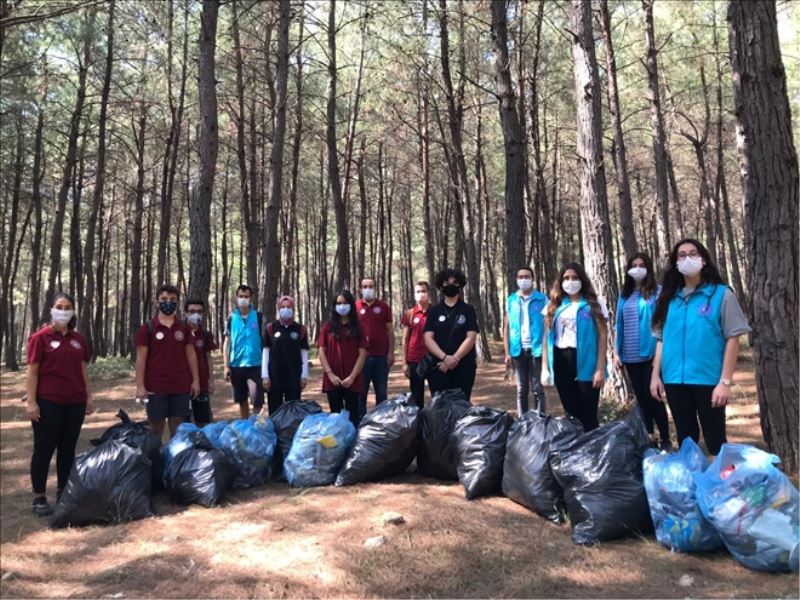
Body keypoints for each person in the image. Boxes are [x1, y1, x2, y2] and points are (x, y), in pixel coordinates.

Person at [650, 239, 750, 456]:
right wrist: (655, 375)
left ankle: (721, 485)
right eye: (682, 255)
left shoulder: (721, 294)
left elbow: (732, 338)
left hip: (708, 379)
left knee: (716, 440)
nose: (687, 258)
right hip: (674, 379)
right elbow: (661, 338)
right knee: (686, 439)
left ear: (703, 259)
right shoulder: (668, 298)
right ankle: (693, 483)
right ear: (675, 263)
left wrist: (725, 382)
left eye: (693, 253)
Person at [25, 292, 95, 516]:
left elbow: (83, 370)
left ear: (73, 311)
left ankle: (64, 493)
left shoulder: (79, 340)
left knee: (67, 450)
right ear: (51, 309)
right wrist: (32, 402)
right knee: (44, 450)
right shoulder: (40, 338)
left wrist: (89, 397)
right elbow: (32, 372)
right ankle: (39, 498)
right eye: (59, 306)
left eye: (67, 307)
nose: (63, 311)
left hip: (74, 403)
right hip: (48, 403)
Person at [540, 263, 609, 432]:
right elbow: (545, 338)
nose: (570, 281)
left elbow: (603, 335)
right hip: (561, 359)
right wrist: (545, 368)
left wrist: (600, 368)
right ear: (561, 281)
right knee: (570, 412)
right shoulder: (554, 305)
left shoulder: (594, 303)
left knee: (589, 411)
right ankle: (575, 449)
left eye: (575, 278)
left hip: (586, 360)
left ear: (582, 280)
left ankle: (592, 448)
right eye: (566, 278)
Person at [613, 252, 670, 449]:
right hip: (629, 355)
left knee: (653, 395)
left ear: (648, 268)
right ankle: (648, 436)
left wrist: (658, 353)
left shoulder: (658, 292)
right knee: (641, 398)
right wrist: (616, 351)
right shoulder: (624, 295)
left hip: (651, 354)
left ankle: (666, 438)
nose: (637, 268)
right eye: (634, 265)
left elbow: (661, 323)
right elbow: (618, 324)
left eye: (641, 264)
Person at [135, 284, 200, 440]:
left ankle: (174, 462)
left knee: (178, 429)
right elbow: (141, 358)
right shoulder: (148, 328)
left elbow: (191, 355)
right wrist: (140, 386)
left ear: (177, 302)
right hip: (155, 387)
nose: (168, 302)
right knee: (155, 429)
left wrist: (196, 381)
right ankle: (154, 462)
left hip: (180, 386)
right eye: (164, 299)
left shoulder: (184, 327)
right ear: (157, 303)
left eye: (172, 299)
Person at [423, 268, 479, 401]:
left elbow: (471, 337)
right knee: (439, 406)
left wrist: (455, 359)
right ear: (440, 286)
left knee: (462, 405)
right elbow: (428, 338)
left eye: (454, 282)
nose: (450, 285)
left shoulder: (468, 310)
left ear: (460, 285)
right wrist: (444, 358)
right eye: (446, 283)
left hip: (464, 366)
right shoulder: (434, 311)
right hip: (439, 367)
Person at [318, 290, 368, 428]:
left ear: (351, 305)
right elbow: (321, 351)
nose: (342, 306)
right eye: (339, 303)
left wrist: (352, 377)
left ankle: (353, 446)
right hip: (332, 379)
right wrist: (330, 374)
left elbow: (362, 353)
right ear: (334, 306)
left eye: (345, 303)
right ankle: (339, 446)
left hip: (352, 379)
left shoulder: (359, 328)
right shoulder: (328, 327)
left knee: (353, 416)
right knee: (335, 416)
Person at [503, 267, 548, 415]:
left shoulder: (542, 299)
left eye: (527, 276)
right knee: (521, 389)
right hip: (518, 350)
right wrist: (507, 352)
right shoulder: (511, 300)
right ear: (516, 279)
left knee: (537, 388)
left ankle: (540, 420)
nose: (524, 280)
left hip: (537, 349)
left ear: (532, 278)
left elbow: (548, 326)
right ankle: (523, 422)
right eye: (520, 277)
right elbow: (506, 328)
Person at [261, 295, 309, 415]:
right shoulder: (270, 328)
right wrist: (265, 376)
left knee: (293, 410)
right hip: (275, 375)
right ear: (278, 308)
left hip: (294, 375)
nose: (286, 309)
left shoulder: (300, 329)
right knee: (275, 410)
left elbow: (304, 353)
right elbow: (266, 353)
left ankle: (291, 433)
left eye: (289, 307)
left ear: (293, 308)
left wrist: (304, 375)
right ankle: (276, 432)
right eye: (283, 307)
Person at [223, 284, 264, 419]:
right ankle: (245, 427)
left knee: (257, 401)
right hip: (236, 366)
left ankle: (256, 426)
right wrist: (226, 366)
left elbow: (265, 342)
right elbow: (227, 343)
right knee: (241, 400)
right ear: (236, 297)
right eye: (241, 296)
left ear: (251, 298)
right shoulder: (230, 319)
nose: (243, 299)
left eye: (246, 296)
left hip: (255, 364)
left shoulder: (258, 317)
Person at [356, 277, 395, 418]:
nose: (368, 289)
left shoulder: (383, 307)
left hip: (381, 357)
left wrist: (391, 352)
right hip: (361, 358)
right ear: (360, 289)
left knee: (381, 393)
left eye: (370, 286)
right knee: (361, 393)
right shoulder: (355, 307)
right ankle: (360, 423)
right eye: (365, 286)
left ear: (375, 288)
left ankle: (381, 422)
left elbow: (390, 330)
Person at [185, 298, 217, 427]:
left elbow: (208, 357)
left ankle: (202, 445)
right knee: (182, 421)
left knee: (203, 420)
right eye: (192, 311)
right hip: (183, 383)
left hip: (202, 382)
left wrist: (211, 380)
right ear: (186, 313)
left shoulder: (205, 334)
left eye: (199, 311)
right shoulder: (180, 332)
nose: (195, 314)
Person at [401, 281, 432, 408]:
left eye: (424, 291)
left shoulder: (435, 312)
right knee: (416, 396)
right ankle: (418, 425)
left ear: (429, 293)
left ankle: (435, 424)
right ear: (414, 295)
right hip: (414, 359)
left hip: (432, 359)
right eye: (418, 291)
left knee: (437, 395)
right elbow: (405, 339)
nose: (421, 294)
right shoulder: (409, 314)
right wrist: (404, 363)